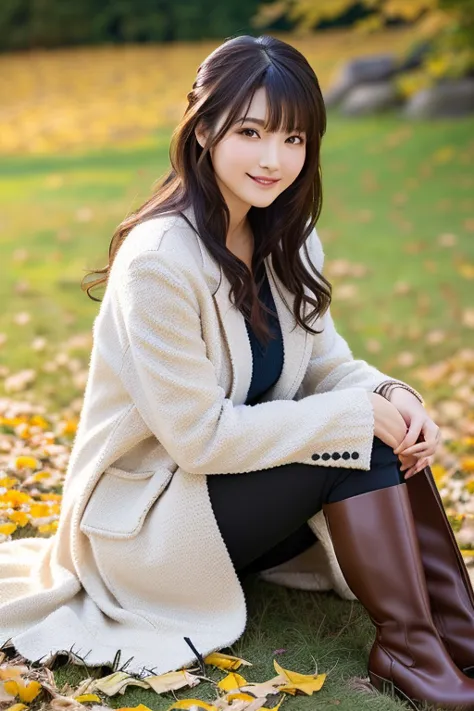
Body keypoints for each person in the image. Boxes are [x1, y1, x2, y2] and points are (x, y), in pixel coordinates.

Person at [1, 34, 473, 708]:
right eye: (251, 131)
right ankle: (409, 644)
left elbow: (328, 366)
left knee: (380, 423)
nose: (274, 159)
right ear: (204, 129)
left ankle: (456, 627)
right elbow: (196, 438)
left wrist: (395, 395)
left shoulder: (287, 234)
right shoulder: (159, 260)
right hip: (150, 527)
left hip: (234, 509)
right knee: (359, 434)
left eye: (294, 139)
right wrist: (359, 416)